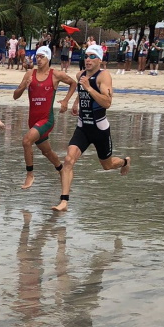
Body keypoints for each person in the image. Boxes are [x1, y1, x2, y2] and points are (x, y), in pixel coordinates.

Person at [51, 44, 130, 211]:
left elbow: (107, 103)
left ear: (99, 60)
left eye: (92, 56)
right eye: (86, 56)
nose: (87, 59)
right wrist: (75, 103)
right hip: (83, 128)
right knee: (68, 160)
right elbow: (81, 91)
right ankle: (64, 201)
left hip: (100, 130)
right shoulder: (80, 74)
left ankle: (124, 161)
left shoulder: (104, 76)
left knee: (107, 165)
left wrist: (88, 87)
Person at [13, 46, 77, 189]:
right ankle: (61, 170)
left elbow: (73, 83)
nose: (39, 59)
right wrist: (24, 86)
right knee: (46, 151)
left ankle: (30, 175)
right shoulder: (29, 74)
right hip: (33, 120)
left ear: (48, 58)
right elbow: (15, 96)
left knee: (26, 141)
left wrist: (66, 101)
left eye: (42, 57)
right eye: (37, 57)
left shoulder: (55, 75)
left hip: (46, 120)